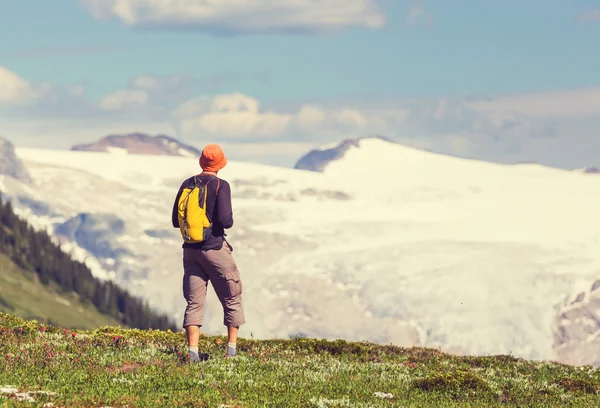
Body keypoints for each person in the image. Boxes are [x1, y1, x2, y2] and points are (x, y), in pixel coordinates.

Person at [171, 144, 245, 361]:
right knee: (232, 295)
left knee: (194, 302)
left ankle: (192, 353)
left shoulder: (188, 183)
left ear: (202, 162)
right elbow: (225, 221)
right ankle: (231, 352)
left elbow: (176, 221)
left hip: (190, 251)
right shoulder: (221, 185)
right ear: (220, 164)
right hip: (214, 249)